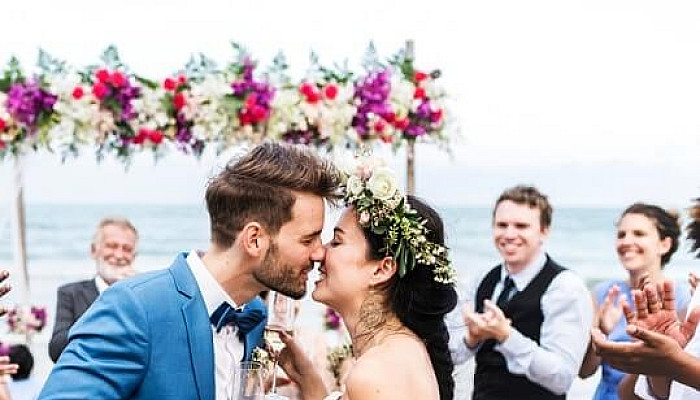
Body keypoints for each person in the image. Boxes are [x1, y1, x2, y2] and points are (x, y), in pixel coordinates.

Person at [38, 142, 341, 400]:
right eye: (308, 239)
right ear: (254, 239)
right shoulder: (133, 308)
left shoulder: (255, 316)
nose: (319, 252)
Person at [275, 154, 459, 400]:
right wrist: (307, 376)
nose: (319, 253)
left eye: (337, 241)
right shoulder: (398, 352)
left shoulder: (375, 373)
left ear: (381, 269)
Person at [446, 185, 593, 399]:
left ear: (544, 231)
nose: (509, 234)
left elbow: (561, 378)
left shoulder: (565, 287)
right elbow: (452, 355)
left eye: (521, 226)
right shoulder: (482, 279)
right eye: (502, 225)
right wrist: (472, 337)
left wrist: (506, 336)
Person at [578, 203, 690, 400]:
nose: (626, 241)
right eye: (621, 235)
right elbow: (585, 372)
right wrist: (602, 332)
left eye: (639, 234)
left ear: (664, 244)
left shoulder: (681, 300)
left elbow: (679, 381)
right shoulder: (604, 293)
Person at [48, 217, 139, 362]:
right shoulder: (70, 293)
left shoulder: (141, 296)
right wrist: (112, 299)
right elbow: (56, 350)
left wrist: (131, 292)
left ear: (134, 256)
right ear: (93, 250)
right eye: (112, 246)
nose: (119, 255)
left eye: (127, 249)